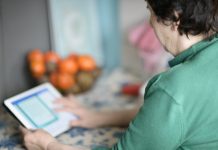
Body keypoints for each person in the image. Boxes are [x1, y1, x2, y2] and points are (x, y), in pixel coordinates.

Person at [20, 0, 218, 149]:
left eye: (150, 11)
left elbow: (171, 107)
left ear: (175, 18)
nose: (150, 23)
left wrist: (48, 144)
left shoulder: (171, 91)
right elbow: (171, 118)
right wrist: (97, 117)